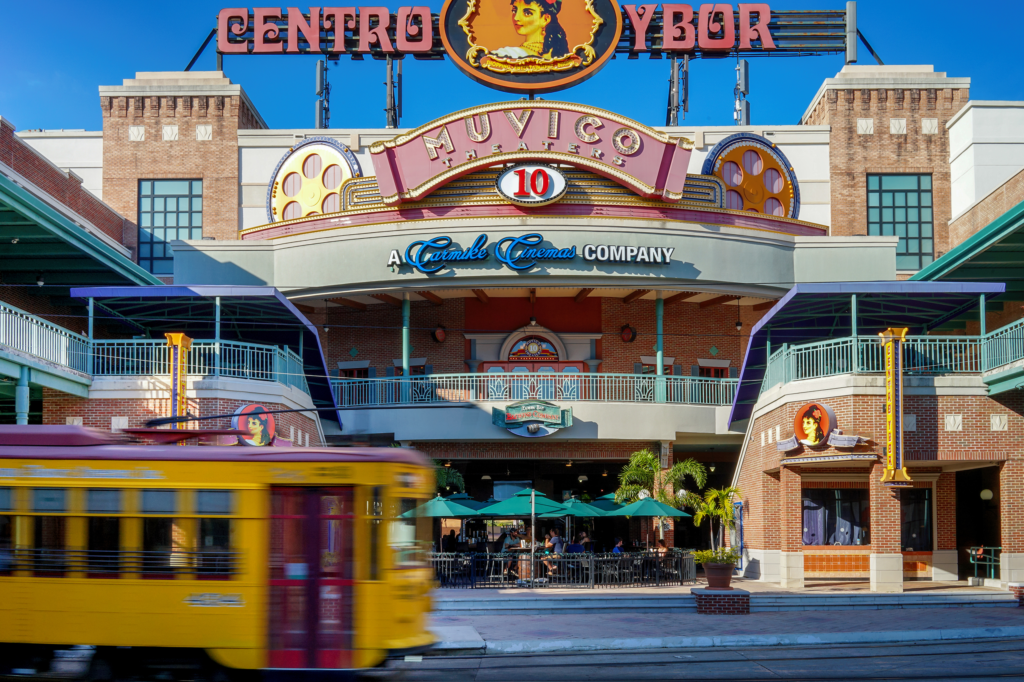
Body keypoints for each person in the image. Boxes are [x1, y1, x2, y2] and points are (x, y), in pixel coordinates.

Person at [491, 0, 569, 59]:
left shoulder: (508, 55)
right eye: (514, 11)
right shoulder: (507, 54)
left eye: (527, 13)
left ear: (545, 19)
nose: (516, 18)